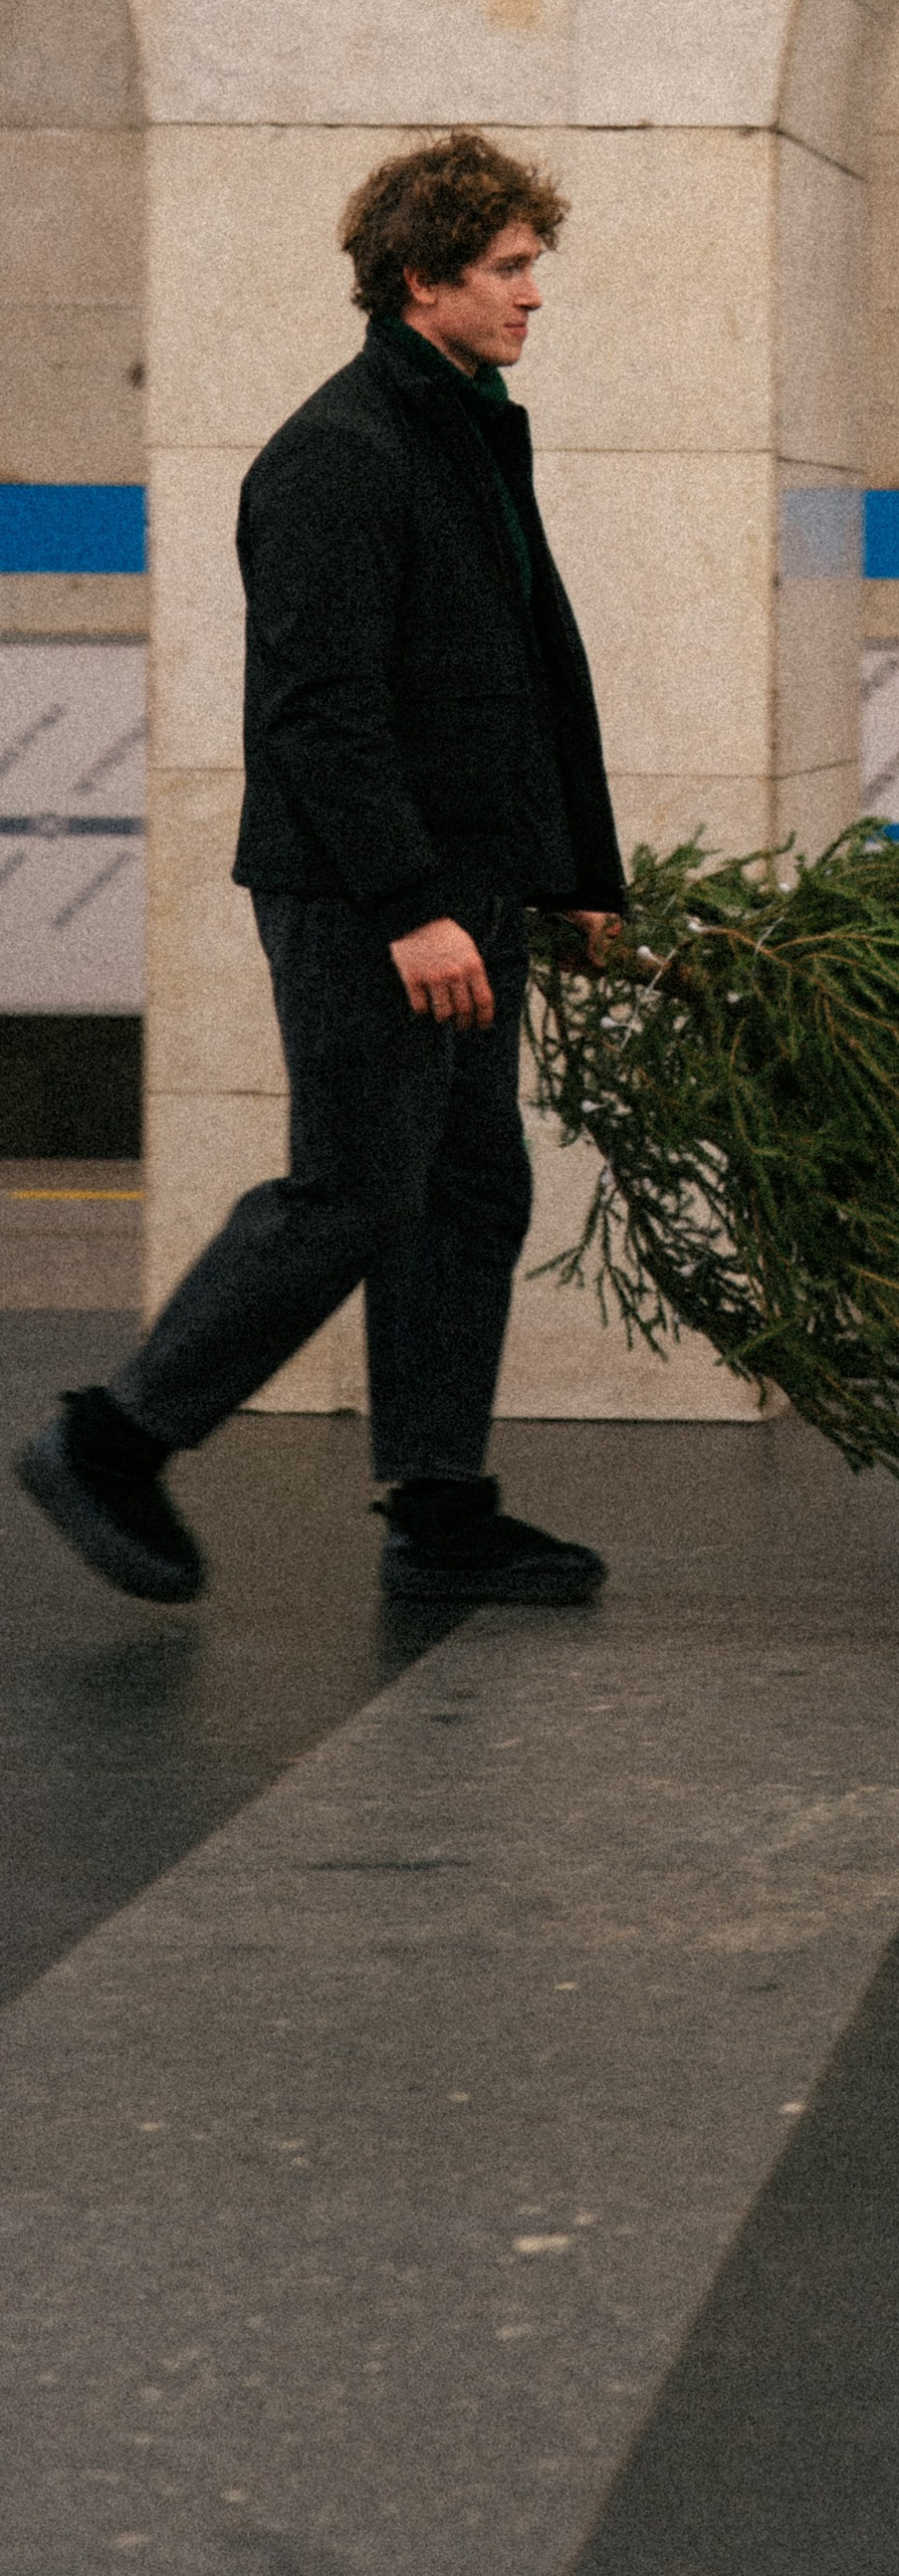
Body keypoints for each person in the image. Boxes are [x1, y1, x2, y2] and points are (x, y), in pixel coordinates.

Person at [15, 131, 627, 1612]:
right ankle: (109, 1439)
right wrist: (411, 907)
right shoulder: (338, 455)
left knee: (469, 1190)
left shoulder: (465, 426)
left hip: (467, 889)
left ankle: (439, 1503)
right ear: (423, 280)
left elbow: (526, 674)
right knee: (354, 1189)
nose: (534, 294)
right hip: (376, 899)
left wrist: (572, 878)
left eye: (532, 266)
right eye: (508, 269)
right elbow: (320, 710)